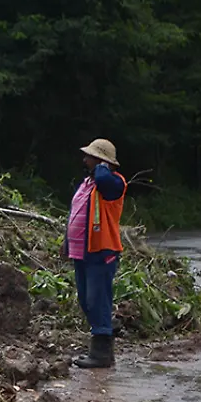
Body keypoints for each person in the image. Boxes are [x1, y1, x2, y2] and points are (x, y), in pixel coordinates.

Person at [64, 138, 128, 368]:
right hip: (82, 251)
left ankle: (101, 353)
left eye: (90, 157)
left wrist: (102, 166)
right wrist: (66, 243)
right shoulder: (87, 184)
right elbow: (76, 212)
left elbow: (103, 179)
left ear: (101, 161)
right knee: (85, 298)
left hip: (102, 251)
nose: (84, 160)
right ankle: (103, 338)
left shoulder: (113, 183)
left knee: (97, 299)